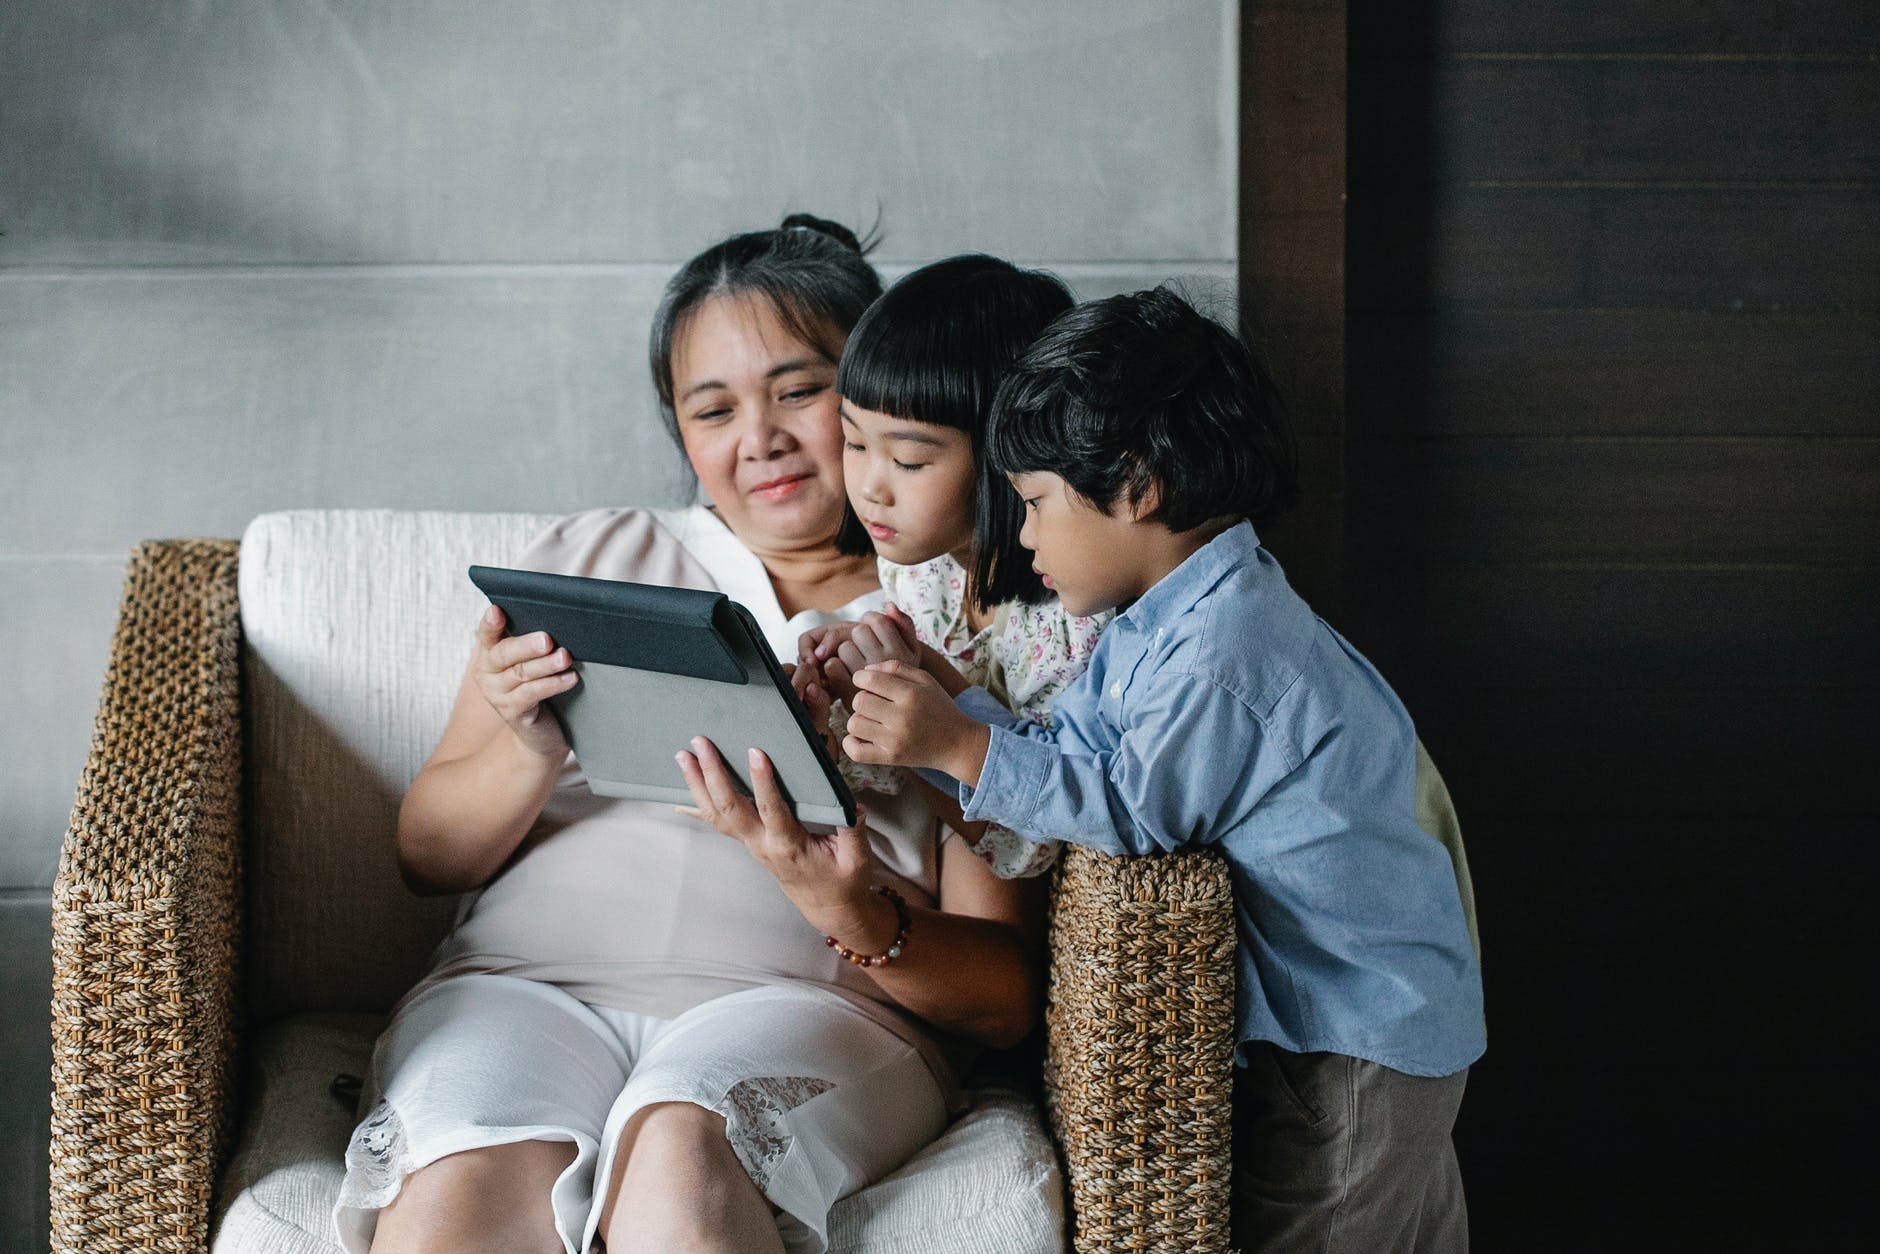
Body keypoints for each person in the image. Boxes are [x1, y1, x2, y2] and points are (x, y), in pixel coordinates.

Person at [334, 215, 1044, 1254]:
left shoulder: (954, 626)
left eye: (800, 391)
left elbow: (1002, 998)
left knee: (680, 1159)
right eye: (711, 409)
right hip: (523, 986)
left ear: (883, 391)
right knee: (455, 1197)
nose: (757, 438)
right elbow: (425, 854)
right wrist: (530, 746)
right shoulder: (594, 556)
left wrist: (849, 910)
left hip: (805, 1003)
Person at [839, 286, 1487, 1252]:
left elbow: (1128, 811)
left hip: (1355, 1032)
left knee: (1321, 1225)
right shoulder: (1159, 624)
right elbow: (1070, 760)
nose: (1022, 539)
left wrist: (956, 746)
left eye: (1035, 505)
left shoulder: (1228, 648)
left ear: (1137, 486)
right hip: (1350, 1022)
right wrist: (940, 712)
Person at [790, 253, 1105, 880]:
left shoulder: (1073, 624)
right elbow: (903, 764)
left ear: (1004, 458)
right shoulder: (921, 575)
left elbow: (1035, 846)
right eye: (853, 442)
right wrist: (849, 692)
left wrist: (926, 699)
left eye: (908, 460)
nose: (870, 487)